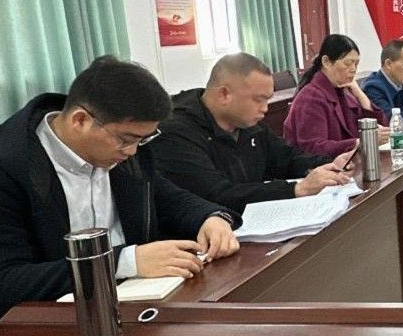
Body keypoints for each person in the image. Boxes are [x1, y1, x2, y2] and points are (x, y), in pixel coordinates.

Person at [0, 56, 239, 336]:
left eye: (142, 140)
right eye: (126, 140)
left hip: (130, 314)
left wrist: (211, 218)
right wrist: (123, 262)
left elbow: (164, 196)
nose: (132, 151)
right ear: (80, 120)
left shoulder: (121, 148)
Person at [152, 53, 356, 217]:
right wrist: (296, 189)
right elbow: (216, 194)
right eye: (259, 100)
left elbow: (286, 158)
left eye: (267, 99)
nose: (265, 108)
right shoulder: (176, 132)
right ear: (224, 94)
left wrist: (329, 163)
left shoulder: (246, 123)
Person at [284, 34, 385, 157]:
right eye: (347, 63)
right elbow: (313, 147)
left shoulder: (344, 91)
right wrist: (361, 142)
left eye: (356, 64)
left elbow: (379, 127)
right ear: (326, 62)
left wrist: (360, 94)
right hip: (322, 166)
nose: (353, 69)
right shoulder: (310, 97)